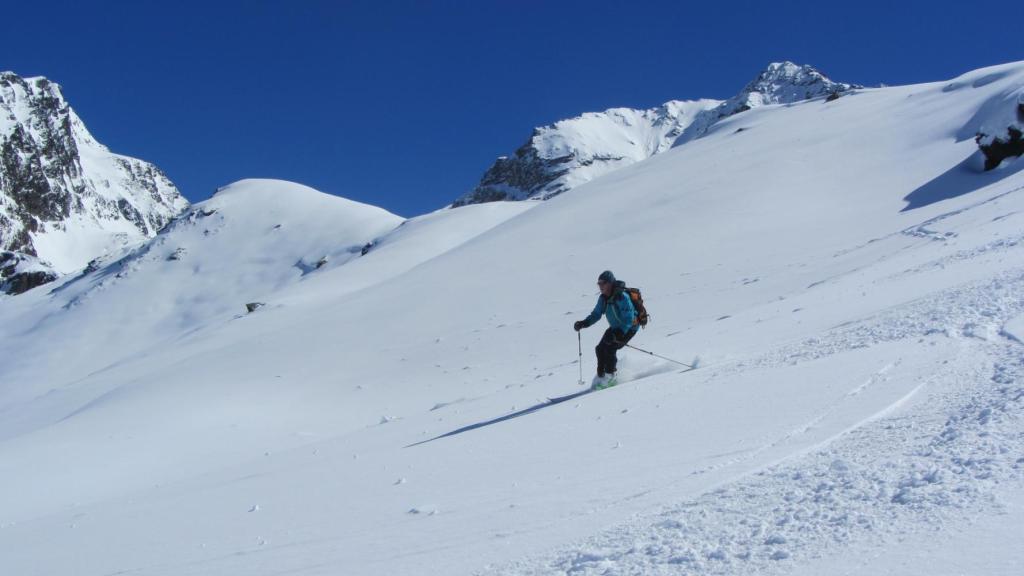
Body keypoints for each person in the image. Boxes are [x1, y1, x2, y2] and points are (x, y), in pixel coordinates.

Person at [574, 270, 637, 389]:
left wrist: (618, 334)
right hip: (615, 327)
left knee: (610, 348)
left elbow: (629, 318)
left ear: (610, 283)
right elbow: (596, 314)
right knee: (599, 349)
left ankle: (611, 377)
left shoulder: (622, 296)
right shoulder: (603, 298)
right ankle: (602, 376)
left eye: (603, 283)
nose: (600, 286)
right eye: (599, 284)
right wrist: (584, 323)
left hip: (629, 327)